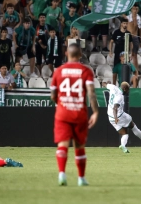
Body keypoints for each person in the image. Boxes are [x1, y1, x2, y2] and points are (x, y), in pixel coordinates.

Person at [50, 43, 99, 186]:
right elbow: (91, 93)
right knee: (79, 146)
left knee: (62, 145)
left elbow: (53, 95)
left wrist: (61, 103)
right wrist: (95, 112)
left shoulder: (58, 71)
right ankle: (81, 178)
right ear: (80, 55)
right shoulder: (86, 71)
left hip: (63, 113)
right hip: (79, 113)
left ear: (66, 54)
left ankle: (62, 175)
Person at [106, 82, 141, 153]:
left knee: (124, 134)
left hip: (110, 118)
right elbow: (115, 108)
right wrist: (116, 117)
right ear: (125, 88)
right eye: (128, 90)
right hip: (118, 116)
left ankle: (123, 145)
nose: (128, 91)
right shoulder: (120, 97)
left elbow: (105, 84)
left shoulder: (113, 87)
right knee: (132, 125)